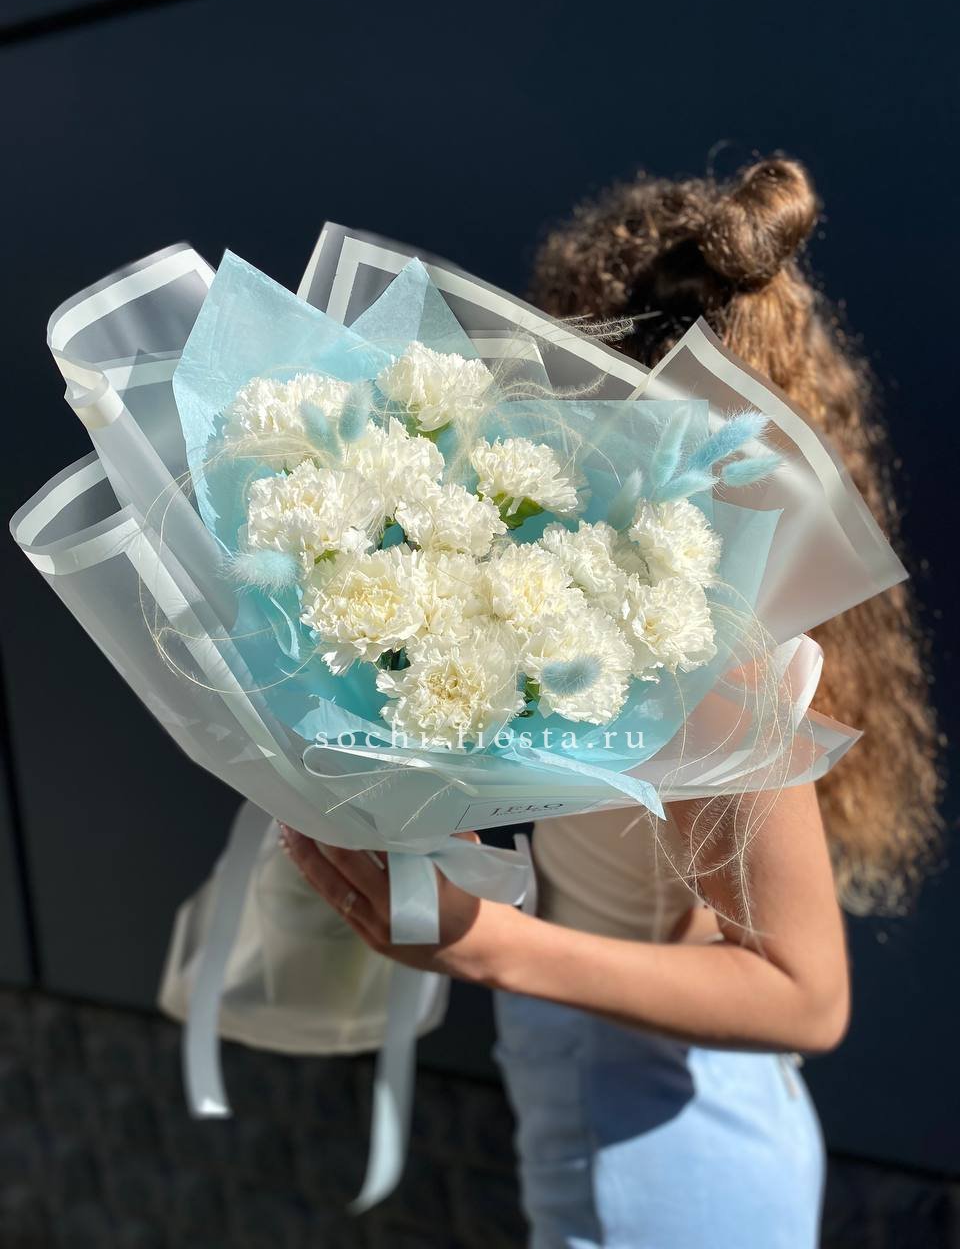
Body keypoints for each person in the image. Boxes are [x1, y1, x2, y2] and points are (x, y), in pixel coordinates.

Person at [279, 156, 942, 1248]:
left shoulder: (712, 642)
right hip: (638, 1117)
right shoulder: (600, 597)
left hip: (666, 1158)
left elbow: (809, 994)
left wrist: (484, 943)